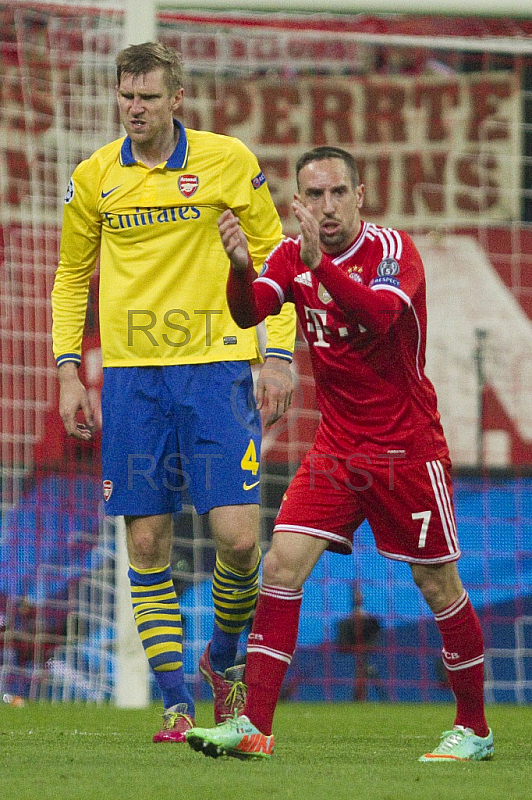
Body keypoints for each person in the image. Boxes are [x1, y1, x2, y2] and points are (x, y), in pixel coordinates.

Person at [185, 145, 494, 762]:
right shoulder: (290, 255)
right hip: (337, 447)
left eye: (337, 193)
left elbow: (378, 317)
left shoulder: (394, 251)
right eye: (314, 195)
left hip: (406, 448)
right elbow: (248, 312)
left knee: (437, 583)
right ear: (298, 201)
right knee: (281, 566)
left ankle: (475, 729)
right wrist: (241, 266)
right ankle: (254, 726)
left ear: (360, 196)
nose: (326, 207)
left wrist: (319, 267)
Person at [51, 42, 296, 743]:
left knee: (239, 540)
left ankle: (222, 657)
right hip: (133, 379)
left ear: (177, 99)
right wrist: (68, 371)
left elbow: (274, 256)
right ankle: (175, 702)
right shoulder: (94, 177)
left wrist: (278, 354)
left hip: (218, 369)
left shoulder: (227, 160)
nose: (135, 108)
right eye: (126, 95)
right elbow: (70, 276)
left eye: (149, 96)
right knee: (147, 540)